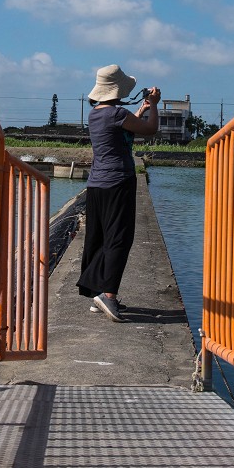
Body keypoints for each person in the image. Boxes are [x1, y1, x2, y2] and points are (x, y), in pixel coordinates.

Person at [76, 64, 161, 322]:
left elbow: (123, 128)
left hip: (97, 184)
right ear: (117, 90)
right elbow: (149, 130)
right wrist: (155, 105)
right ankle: (109, 296)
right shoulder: (117, 114)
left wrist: (141, 110)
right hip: (118, 183)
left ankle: (98, 294)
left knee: (99, 238)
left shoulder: (96, 114)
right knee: (119, 239)